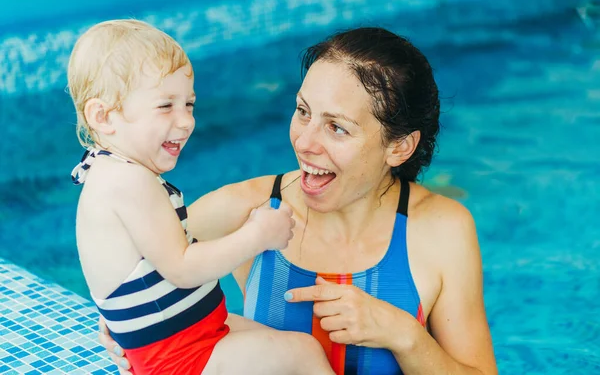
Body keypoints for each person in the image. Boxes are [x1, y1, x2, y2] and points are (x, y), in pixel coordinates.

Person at [99, 26, 498, 375]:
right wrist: (126, 327)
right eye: (303, 112)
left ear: (399, 147)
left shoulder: (441, 230)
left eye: (337, 128)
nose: (304, 143)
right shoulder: (248, 211)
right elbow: (129, 262)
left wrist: (405, 336)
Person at [69, 19, 334, 375]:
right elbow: (182, 267)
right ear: (103, 117)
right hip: (180, 359)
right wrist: (257, 236)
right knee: (303, 353)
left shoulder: (116, 174)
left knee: (275, 342)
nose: (185, 122)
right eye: (166, 106)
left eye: (189, 105)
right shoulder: (127, 180)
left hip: (190, 338)